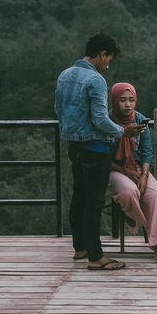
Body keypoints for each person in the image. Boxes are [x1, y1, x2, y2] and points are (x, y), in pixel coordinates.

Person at [54, 32, 143, 271]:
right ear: (102, 54)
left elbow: (58, 109)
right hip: (95, 148)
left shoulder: (65, 76)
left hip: (74, 146)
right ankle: (96, 256)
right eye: (108, 60)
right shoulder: (96, 80)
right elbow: (100, 119)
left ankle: (80, 247)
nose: (107, 65)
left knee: (79, 197)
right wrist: (123, 132)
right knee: (94, 202)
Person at [107, 81, 157, 266]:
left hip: (137, 168)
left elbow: (146, 152)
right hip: (114, 169)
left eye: (131, 100)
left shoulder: (139, 120)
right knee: (130, 191)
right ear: (114, 101)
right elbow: (103, 156)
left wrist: (144, 174)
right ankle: (134, 215)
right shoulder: (106, 122)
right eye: (122, 100)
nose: (128, 105)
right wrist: (126, 172)